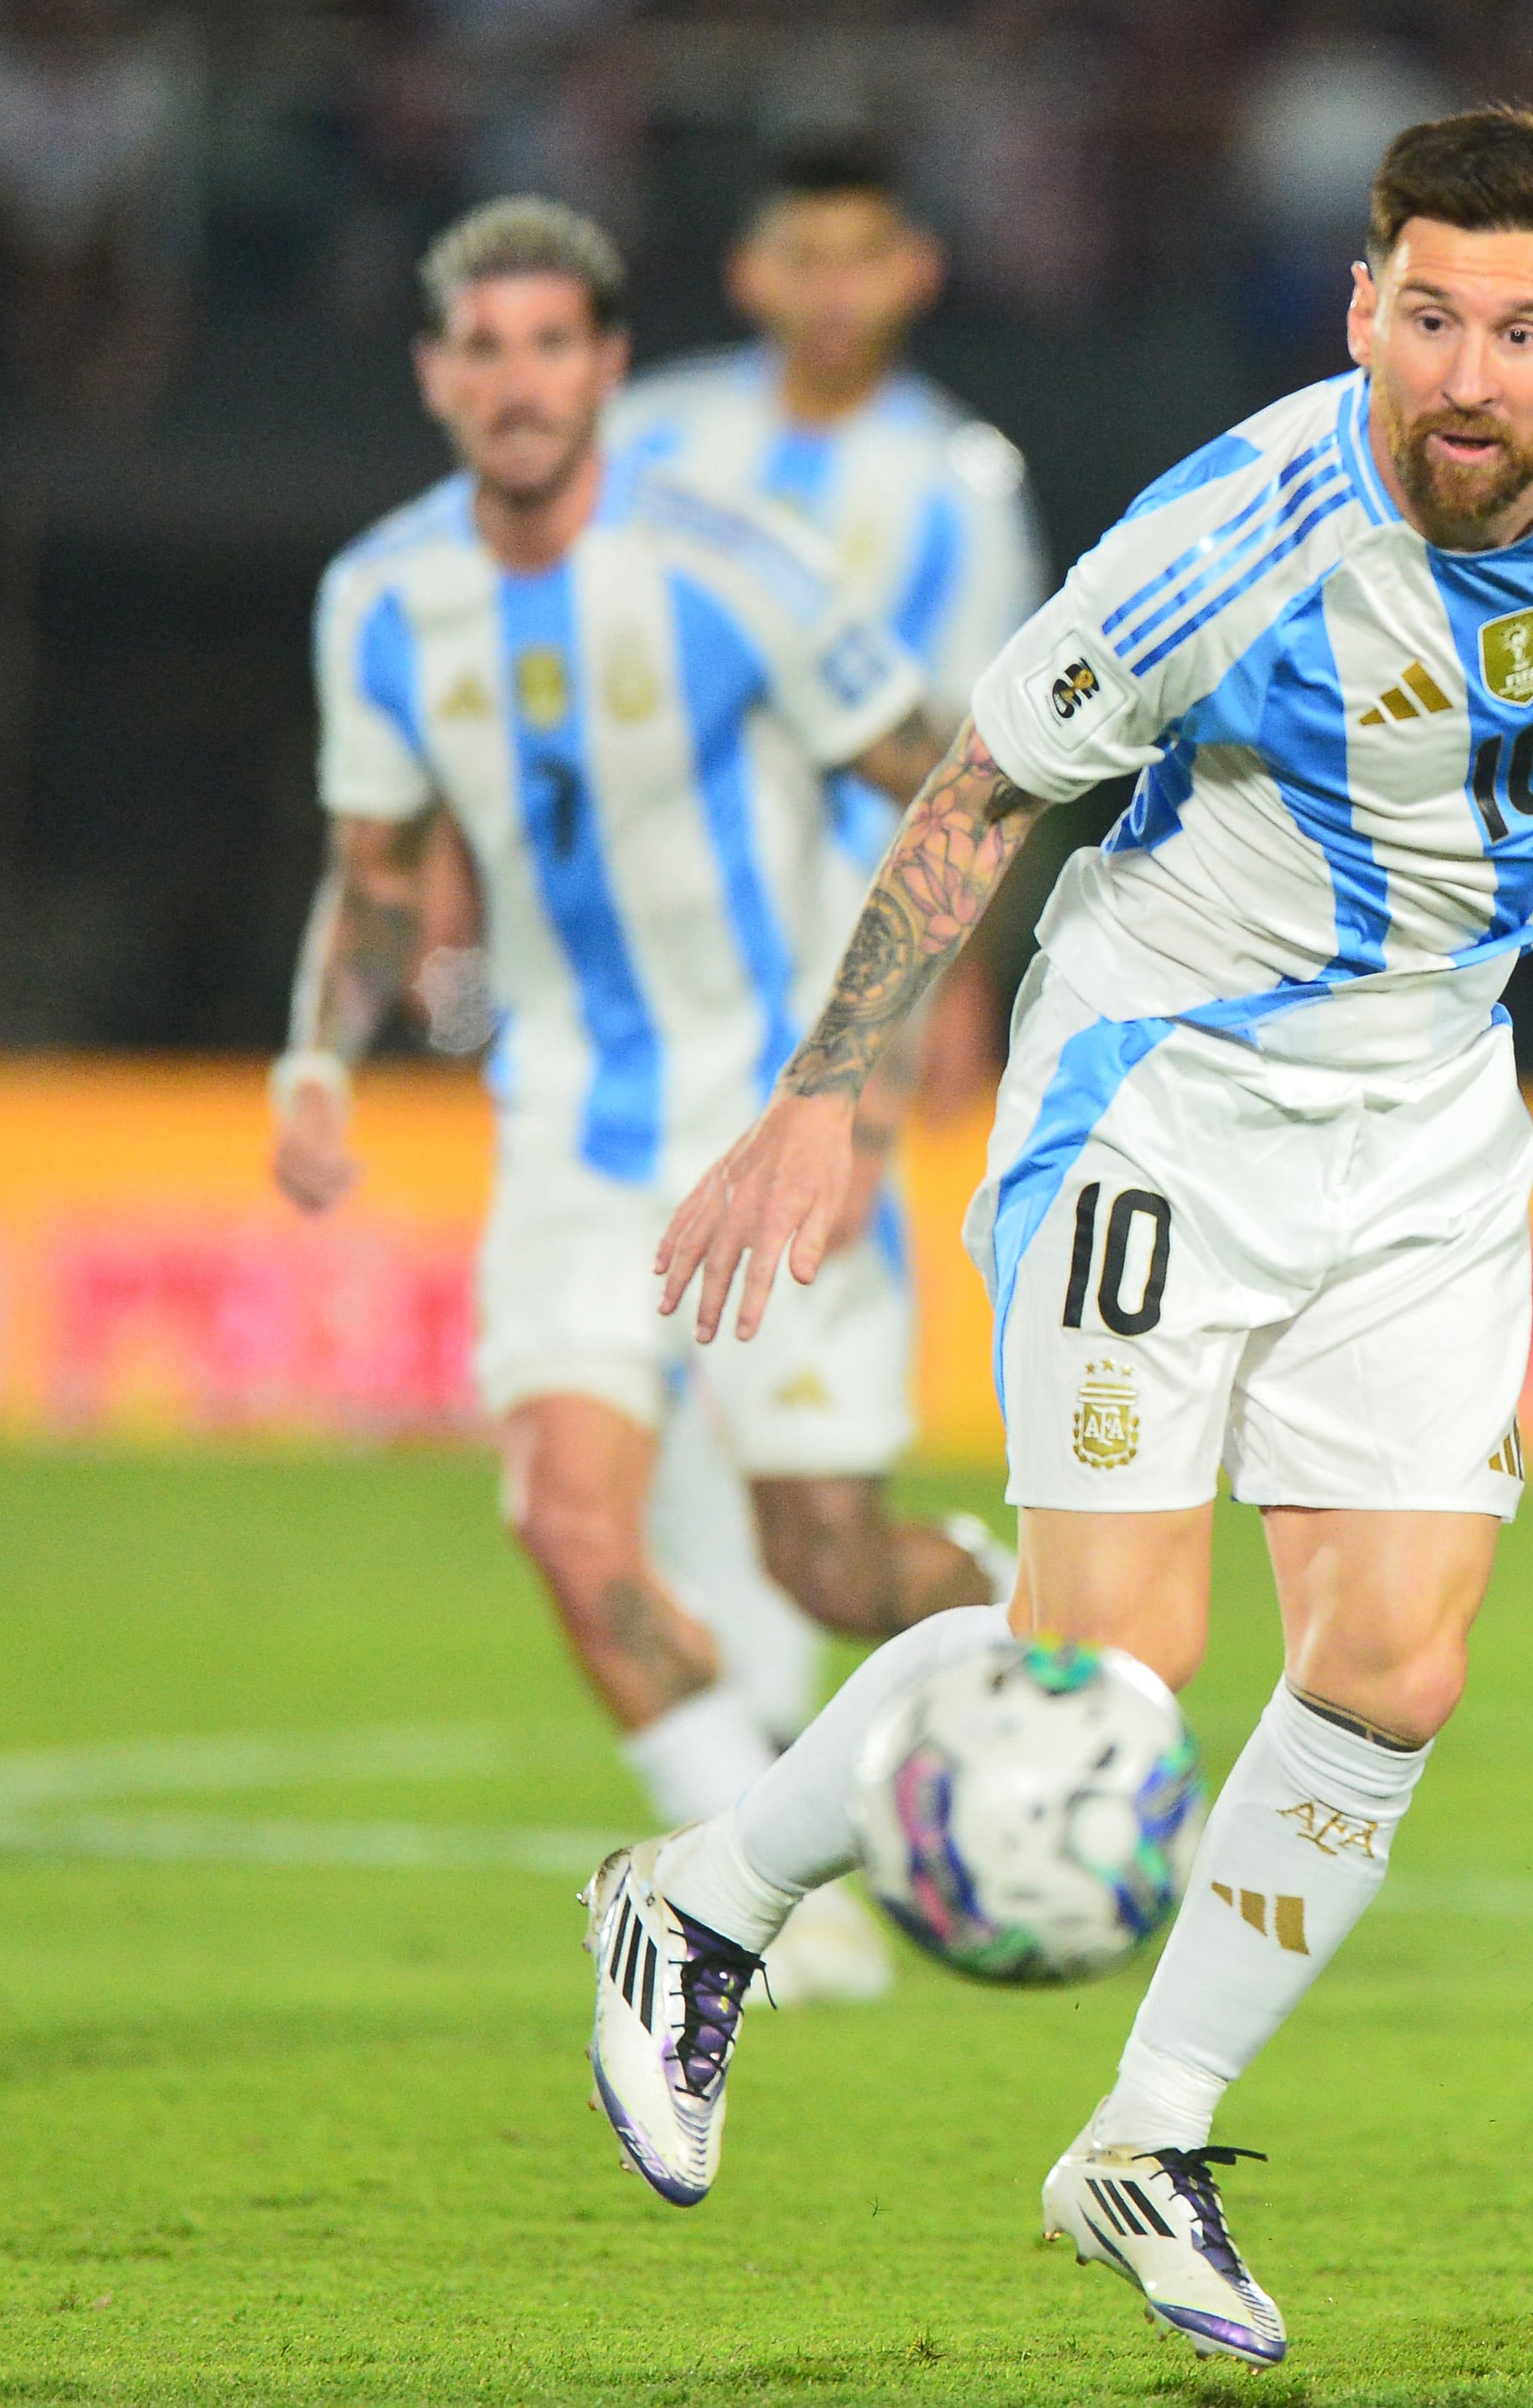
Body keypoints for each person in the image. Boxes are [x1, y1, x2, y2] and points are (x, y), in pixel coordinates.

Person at [600, 109, 1533, 2371]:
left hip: (1419, 1133)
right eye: (1426, 318)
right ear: (1358, 315)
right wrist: (830, 1093)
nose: (1468, 375)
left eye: (1519, 328)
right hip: (1165, 1107)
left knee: (1395, 1662)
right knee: (1100, 1674)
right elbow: (984, 787)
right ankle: (698, 1896)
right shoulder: (1232, 537)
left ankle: (1153, 2130)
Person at [268, 196, 1006, 2005]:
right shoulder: (380, 597)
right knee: (565, 1518)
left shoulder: (732, 564)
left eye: (550, 344)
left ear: (604, 365)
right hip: (568, 1142)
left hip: (773, 1131)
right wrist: (316, 1054)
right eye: (482, 348)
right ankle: (758, 1907)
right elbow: (377, 869)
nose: (516, 381)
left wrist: (879, 1064)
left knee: (829, 1558)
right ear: (438, 375)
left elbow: (955, 787)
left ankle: (1036, 1628)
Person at [595, 134, 1057, 1946]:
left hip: (817, 1018)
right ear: (754, 273)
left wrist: (920, 1013)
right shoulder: (651, 440)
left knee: (799, 1490)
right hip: (638, 1014)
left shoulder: (953, 477)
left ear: (915, 272)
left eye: (867, 254)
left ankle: (1050, 1637)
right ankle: (758, 1858)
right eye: (807, 253)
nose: (835, 287)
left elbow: (987, 767)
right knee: (645, 1451)